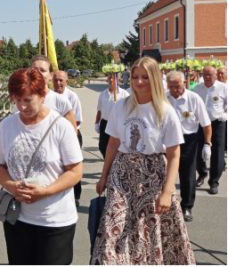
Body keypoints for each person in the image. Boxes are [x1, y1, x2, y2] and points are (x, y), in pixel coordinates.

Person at [93, 57, 194, 264]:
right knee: (114, 225)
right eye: (135, 77)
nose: (139, 82)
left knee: (149, 227)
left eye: (145, 77)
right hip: (122, 172)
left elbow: (174, 154)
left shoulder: (165, 111)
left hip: (153, 174)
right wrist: (104, 176)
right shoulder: (120, 106)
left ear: (155, 79)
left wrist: (167, 191)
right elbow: (113, 142)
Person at [0, 68, 83, 265]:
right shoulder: (7, 125)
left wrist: (46, 191)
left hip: (54, 222)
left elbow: (75, 171)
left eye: (28, 100)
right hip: (17, 219)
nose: (22, 106)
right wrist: (11, 186)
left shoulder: (60, 127)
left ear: (43, 95)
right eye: (17, 100)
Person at [165, 70, 212, 222]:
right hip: (168, 140)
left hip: (189, 140)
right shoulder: (164, 98)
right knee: (165, 174)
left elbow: (206, 124)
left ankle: (187, 206)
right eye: (171, 86)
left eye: (177, 86)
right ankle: (165, 204)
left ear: (184, 83)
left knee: (188, 175)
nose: (174, 90)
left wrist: (207, 144)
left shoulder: (194, 98)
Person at [51, 70, 84, 200]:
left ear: (66, 81)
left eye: (61, 80)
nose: (58, 83)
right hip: (54, 138)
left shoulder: (72, 96)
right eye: (56, 80)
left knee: (72, 167)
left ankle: (76, 197)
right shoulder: (49, 96)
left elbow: (78, 120)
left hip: (72, 135)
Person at [194, 65, 227, 194]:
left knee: (217, 153)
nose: (207, 77)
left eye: (210, 74)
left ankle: (214, 181)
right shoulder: (197, 88)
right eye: (205, 74)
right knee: (198, 151)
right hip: (201, 124)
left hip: (217, 123)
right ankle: (202, 173)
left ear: (215, 75)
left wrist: (224, 116)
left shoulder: (223, 88)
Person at [95, 71, 130, 157]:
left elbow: (129, 111)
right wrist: (96, 123)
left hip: (118, 124)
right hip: (105, 123)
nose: (111, 80)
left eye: (113, 77)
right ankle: (108, 161)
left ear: (118, 79)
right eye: (109, 77)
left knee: (116, 146)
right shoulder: (103, 94)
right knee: (102, 146)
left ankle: (113, 164)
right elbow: (99, 110)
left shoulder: (124, 94)